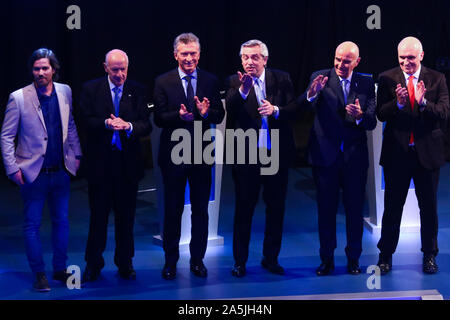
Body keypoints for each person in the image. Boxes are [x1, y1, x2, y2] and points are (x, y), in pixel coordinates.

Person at [0, 48, 82, 291]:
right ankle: (39, 274)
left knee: (62, 222)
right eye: (36, 68)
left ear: (53, 70)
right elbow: (6, 136)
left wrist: (77, 155)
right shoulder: (19, 98)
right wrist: (12, 168)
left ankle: (59, 269)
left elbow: (71, 124)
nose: (40, 72)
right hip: (32, 174)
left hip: (61, 171)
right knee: (32, 225)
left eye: (45, 68)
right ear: (32, 71)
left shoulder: (65, 90)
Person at [298, 41, 376, 276]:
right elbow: (304, 107)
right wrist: (311, 94)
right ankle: (327, 259)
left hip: (354, 158)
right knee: (326, 211)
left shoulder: (366, 82)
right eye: (338, 59)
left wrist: (361, 116)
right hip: (325, 157)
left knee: (354, 210)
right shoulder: (319, 77)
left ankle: (354, 258)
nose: (341, 64)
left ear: (357, 62)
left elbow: (372, 121)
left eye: (346, 61)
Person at [153, 33, 224, 280]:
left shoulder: (211, 80)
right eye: (184, 53)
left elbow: (218, 115)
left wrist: (205, 113)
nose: (189, 58)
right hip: (173, 155)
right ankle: (170, 261)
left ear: (199, 54)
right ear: (176, 55)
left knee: (200, 211)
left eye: (193, 53)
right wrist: (178, 117)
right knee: (172, 210)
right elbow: (159, 118)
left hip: (202, 156)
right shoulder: (163, 81)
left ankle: (197, 260)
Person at [376, 36, 449, 275]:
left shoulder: (437, 79)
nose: (406, 62)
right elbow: (380, 115)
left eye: (411, 57)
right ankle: (385, 256)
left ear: (421, 55)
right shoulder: (387, 79)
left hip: (427, 155)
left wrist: (423, 101)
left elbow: (444, 114)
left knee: (428, 208)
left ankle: (429, 255)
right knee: (392, 208)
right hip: (397, 155)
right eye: (402, 58)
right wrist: (397, 105)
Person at [225, 39, 297, 277]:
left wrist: (275, 110)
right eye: (245, 57)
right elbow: (231, 113)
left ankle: (271, 258)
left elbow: (293, 111)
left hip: (276, 154)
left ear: (265, 59)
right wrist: (244, 90)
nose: (249, 62)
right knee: (244, 210)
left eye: (254, 57)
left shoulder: (282, 78)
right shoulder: (234, 82)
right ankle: (240, 262)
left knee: (276, 209)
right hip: (246, 157)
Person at [80, 49, 151, 282]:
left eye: (123, 69)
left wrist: (128, 126)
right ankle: (93, 263)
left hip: (127, 168)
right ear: (105, 68)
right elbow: (84, 121)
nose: (120, 74)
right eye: (115, 69)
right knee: (98, 219)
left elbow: (145, 125)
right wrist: (105, 123)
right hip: (100, 167)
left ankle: (125, 263)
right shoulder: (91, 89)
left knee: (126, 219)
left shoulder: (138, 90)